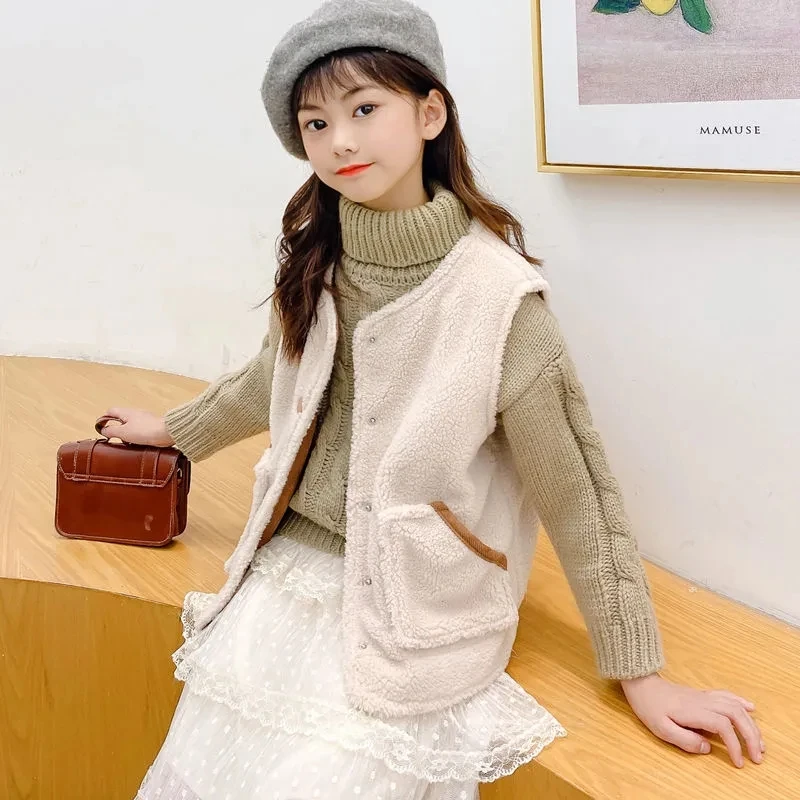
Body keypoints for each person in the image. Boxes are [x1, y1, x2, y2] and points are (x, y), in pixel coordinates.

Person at [107, 1, 765, 797]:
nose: (340, 140)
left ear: (430, 114)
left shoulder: (499, 299)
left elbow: (577, 493)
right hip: (287, 569)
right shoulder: (318, 263)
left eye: (364, 109)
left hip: (418, 607)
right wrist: (173, 432)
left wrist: (641, 671)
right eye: (316, 124)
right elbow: (270, 382)